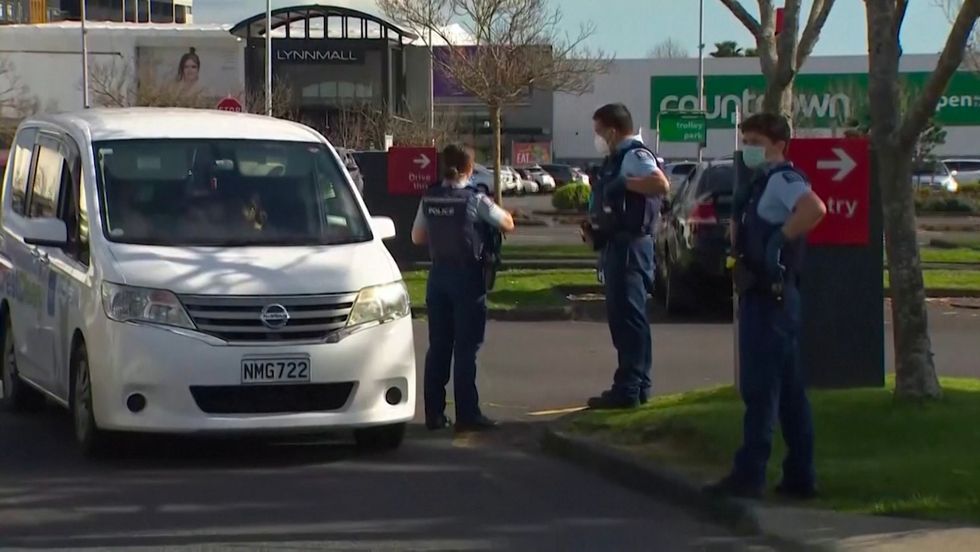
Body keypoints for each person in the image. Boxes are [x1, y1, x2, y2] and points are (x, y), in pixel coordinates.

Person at [704, 113, 827, 500]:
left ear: (777, 142)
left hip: (771, 299)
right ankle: (799, 477)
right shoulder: (760, 183)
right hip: (764, 295)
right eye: (745, 140)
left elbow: (814, 209)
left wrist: (777, 241)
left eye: (754, 140)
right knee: (789, 393)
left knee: (761, 391)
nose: (747, 148)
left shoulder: (783, 180)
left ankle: (750, 474)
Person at [411, 144, 516, 432]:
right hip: (467, 278)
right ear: (470, 169)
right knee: (467, 348)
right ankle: (467, 414)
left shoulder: (429, 196)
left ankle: (434, 414)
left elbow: (417, 236)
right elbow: (508, 223)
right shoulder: (475, 199)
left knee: (439, 347)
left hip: (438, 277)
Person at [583, 103, 670, 410]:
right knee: (622, 319)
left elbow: (660, 184)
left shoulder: (635, 155)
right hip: (617, 245)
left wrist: (624, 184)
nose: (597, 138)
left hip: (632, 247)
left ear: (612, 130)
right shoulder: (615, 159)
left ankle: (631, 387)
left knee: (630, 319)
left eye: (598, 131)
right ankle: (632, 384)